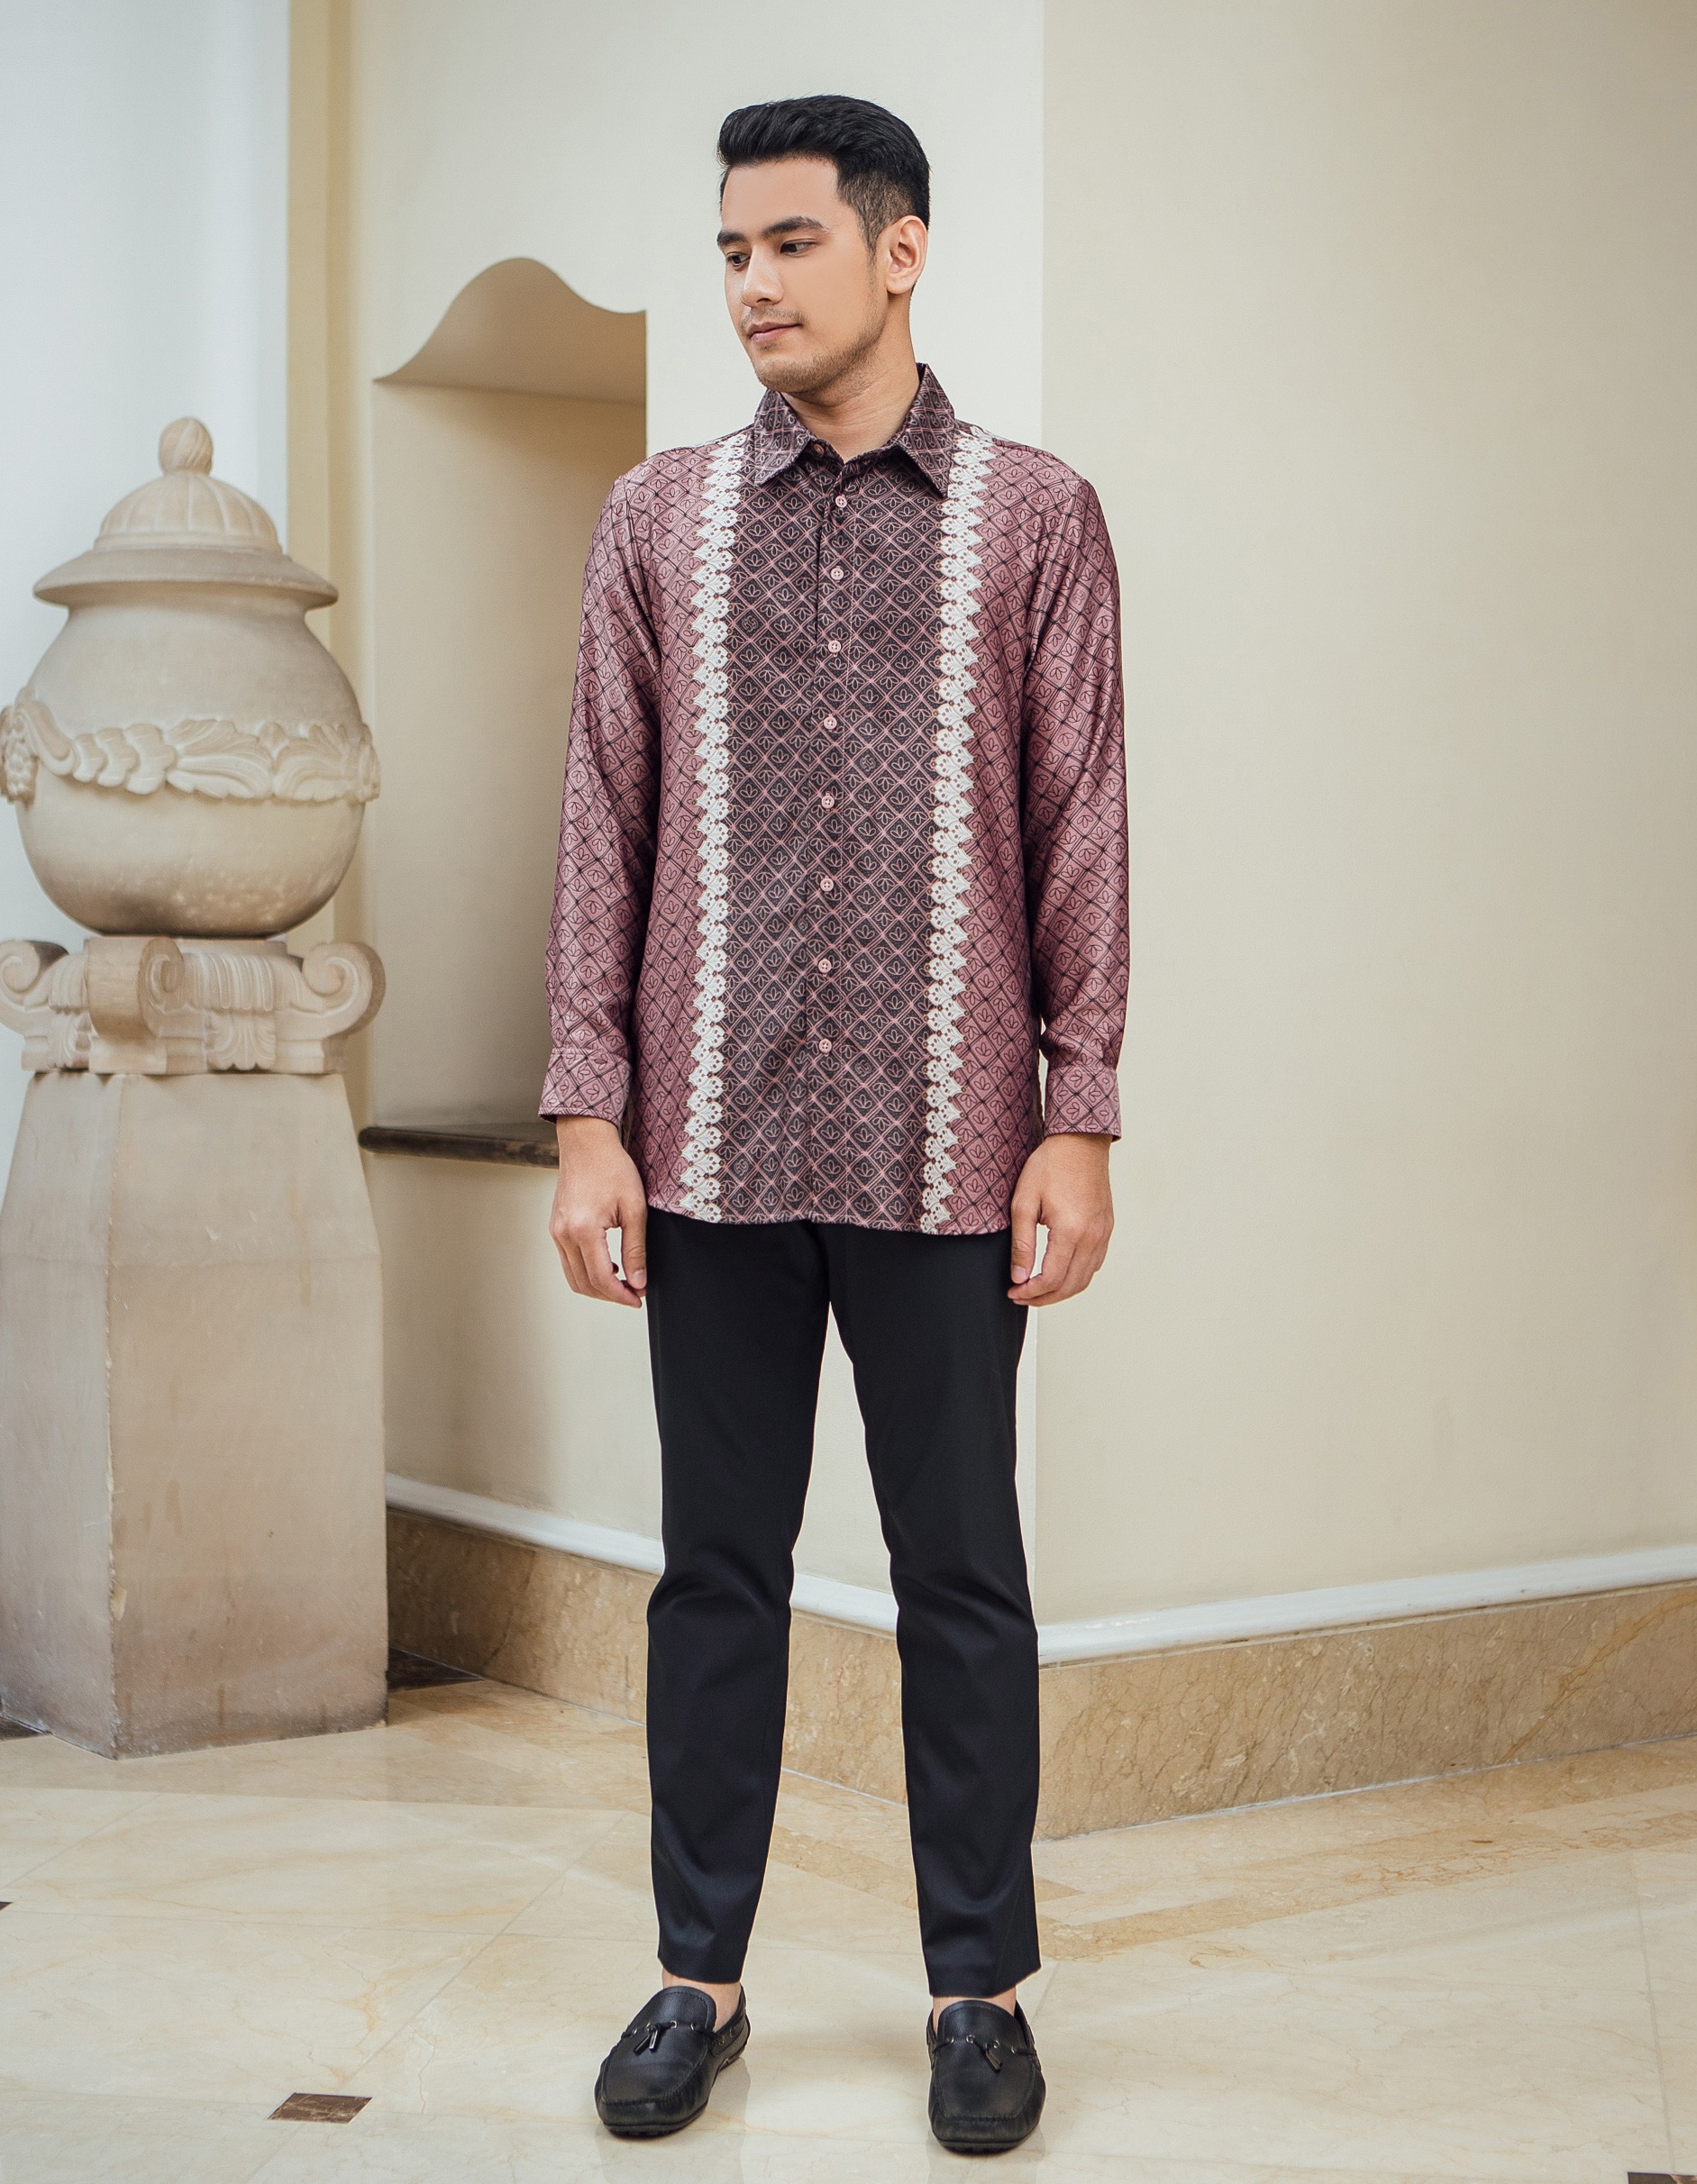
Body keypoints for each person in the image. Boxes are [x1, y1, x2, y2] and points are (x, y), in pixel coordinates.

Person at [542, 92, 1127, 2156]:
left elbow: (1080, 819)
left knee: (962, 1574)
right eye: (730, 250)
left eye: (790, 242)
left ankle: (980, 1991)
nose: (752, 285)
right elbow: (601, 819)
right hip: (703, 1145)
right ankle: (696, 1979)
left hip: (950, 1153)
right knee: (716, 1572)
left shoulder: (1034, 516)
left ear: (899, 251)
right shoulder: (656, 518)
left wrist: (1079, 1111)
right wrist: (586, 1111)